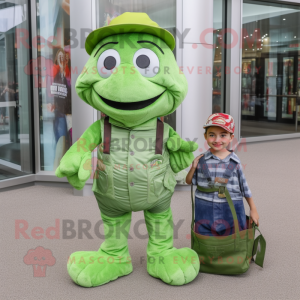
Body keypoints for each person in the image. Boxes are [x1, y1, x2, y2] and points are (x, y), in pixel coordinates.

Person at [186, 113, 259, 236]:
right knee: (205, 237)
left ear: (231, 137)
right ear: (205, 136)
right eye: (212, 135)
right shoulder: (201, 160)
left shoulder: (235, 161)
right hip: (204, 206)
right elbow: (188, 181)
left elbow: (244, 187)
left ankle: (236, 255)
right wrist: (193, 168)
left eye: (223, 135)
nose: (217, 140)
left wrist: (253, 209)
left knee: (234, 236)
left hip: (231, 205)